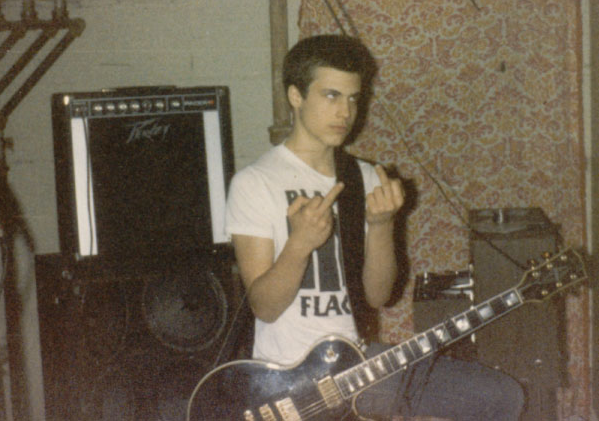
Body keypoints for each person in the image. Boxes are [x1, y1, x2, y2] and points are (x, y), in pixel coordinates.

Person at [225, 34, 524, 420]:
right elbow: (264, 307)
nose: (345, 112)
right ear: (295, 96)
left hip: (357, 369)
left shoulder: (362, 178)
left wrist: (381, 224)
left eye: (353, 98)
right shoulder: (255, 182)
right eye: (331, 96)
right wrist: (299, 245)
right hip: (287, 385)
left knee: (500, 396)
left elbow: (379, 296)